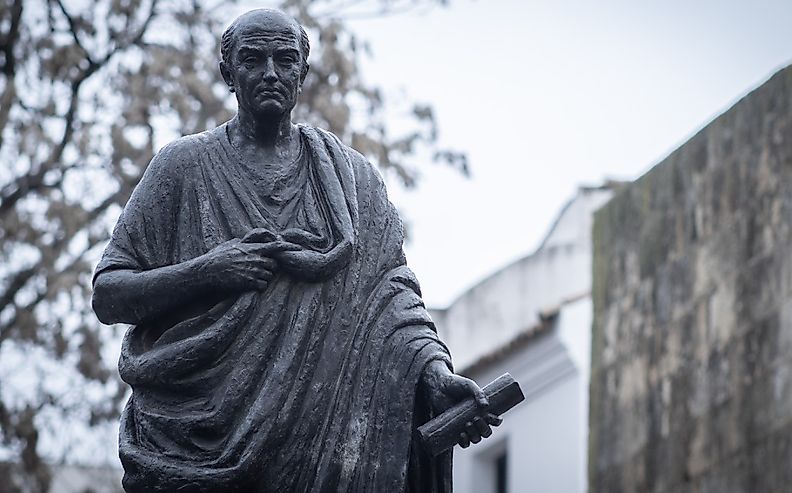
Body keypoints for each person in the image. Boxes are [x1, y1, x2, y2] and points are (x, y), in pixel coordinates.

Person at [92, 8, 499, 492]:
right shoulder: (182, 167)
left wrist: (433, 375)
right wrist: (208, 271)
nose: (270, 73)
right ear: (228, 73)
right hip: (194, 446)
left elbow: (392, 298)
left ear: (302, 73)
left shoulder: (353, 183)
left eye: (285, 60)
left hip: (322, 450)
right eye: (253, 59)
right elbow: (109, 294)